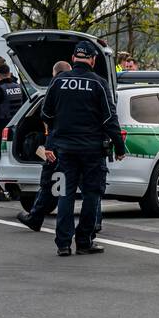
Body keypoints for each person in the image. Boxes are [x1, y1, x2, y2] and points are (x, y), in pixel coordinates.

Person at [41, 42, 126, 256]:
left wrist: (58, 130)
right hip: (92, 150)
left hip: (65, 150)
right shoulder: (99, 83)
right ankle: (84, 241)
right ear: (94, 60)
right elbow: (109, 118)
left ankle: (63, 244)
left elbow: (46, 114)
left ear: (73, 58)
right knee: (91, 194)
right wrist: (119, 145)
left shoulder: (58, 81)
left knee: (65, 194)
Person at [16, 61, 72, 231]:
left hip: (57, 143)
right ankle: (94, 223)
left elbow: (46, 116)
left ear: (54, 74)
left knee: (49, 181)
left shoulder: (54, 90)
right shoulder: (83, 89)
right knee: (87, 187)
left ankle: (35, 218)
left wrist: (48, 144)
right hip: (82, 144)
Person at [0, 63, 26, 201]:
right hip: (17, 127)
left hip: (0, 128)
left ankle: (4, 190)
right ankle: (14, 190)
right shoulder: (19, 87)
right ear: (9, 72)